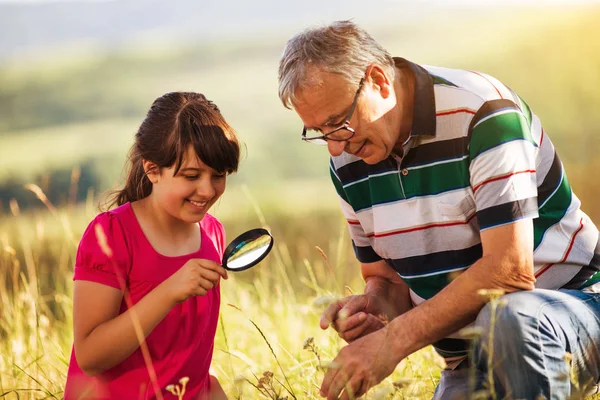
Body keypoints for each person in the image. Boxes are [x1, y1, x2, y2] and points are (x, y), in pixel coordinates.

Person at [278, 20, 600, 400]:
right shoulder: (347, 160)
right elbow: (388, 281)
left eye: (338, 123)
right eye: (318, 132)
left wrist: (393, 343)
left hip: (572, 313)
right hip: (467, 359)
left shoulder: (483, 112)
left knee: (514, 319)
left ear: (379, 81)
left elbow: (509, 272)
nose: (335, 148)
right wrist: (376, 312)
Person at [64, 92, 240, 399]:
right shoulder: (113, 234)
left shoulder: (212, 233)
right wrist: (169, 292)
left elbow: (188, 356)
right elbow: (90, 357)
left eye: (219, 175)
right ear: (152, 170)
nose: (207, 190)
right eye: (191, 176)